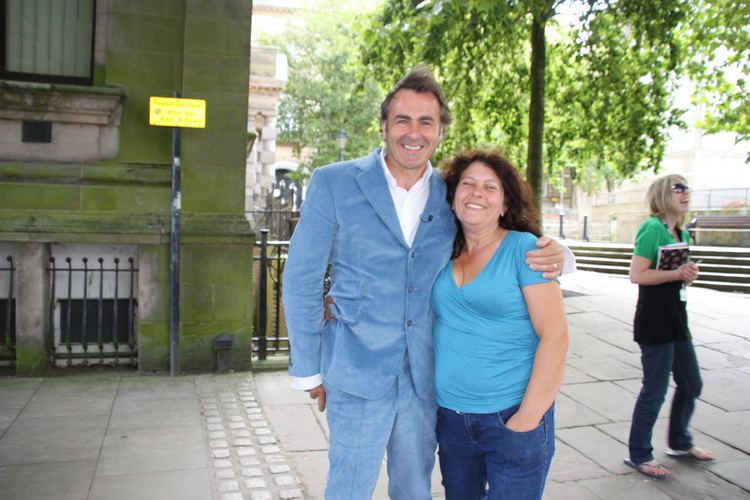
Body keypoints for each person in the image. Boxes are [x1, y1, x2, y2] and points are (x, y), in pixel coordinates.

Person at [282, 66, 572, 499]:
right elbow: (302, 276)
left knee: (415, 488)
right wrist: (308, 368)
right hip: (355, 370)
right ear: (383, 126)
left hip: (426, 377)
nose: (412, 132)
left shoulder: (452, 194)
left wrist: (562, 255)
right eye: (402, 120)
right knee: (348, 487)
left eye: (426, 122)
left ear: (439, 133)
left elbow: (497, 233)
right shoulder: (333, 182)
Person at [432, 150, 569, 500]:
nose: (477, 193)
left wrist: (527, 419)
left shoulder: (525, 250)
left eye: (490, 187)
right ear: (453, 196)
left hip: (510, 417)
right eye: (468, 184)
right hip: (452, 420)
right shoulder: (442, 250)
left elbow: (555, 336)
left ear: (505, 204)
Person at [624, 174, 714, 479]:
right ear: (664, 194)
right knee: (655, 390)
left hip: (677, 317)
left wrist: (688, 274)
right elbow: (637, 274)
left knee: (692, 384)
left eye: (687, 188)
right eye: (679, 188)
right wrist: (677, 274)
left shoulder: (682, 233)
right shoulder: (652, 228)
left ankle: (678, 442)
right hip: (655, 321)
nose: (685, 193)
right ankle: (639, 454)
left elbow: (675, 274)